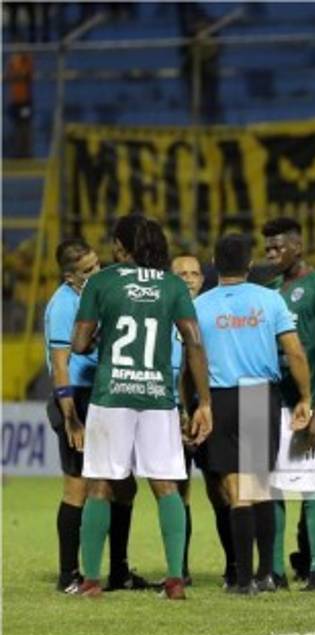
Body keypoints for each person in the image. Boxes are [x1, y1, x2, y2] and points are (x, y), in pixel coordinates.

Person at [69, 219, 213, 599]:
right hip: (157, 397)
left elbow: (80, 344)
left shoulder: (101, 282)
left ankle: (92, 580)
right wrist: (205, 402)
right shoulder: (171, 285)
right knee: (166, 485)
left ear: (120, 246)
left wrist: (102, 329)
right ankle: (175, 579)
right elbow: (194, 342)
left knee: (100, 484)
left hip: (112, 395)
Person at [191, 234, 311, 594]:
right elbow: (294, 351)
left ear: (213, 260)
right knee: (258, 486)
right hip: (260, 393)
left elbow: (190, 359)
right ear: (249, 264)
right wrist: (305, 395)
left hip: (220, 396)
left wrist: (196, 404)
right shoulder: (270, 300)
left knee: (234, 489)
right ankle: (265, 572)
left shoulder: (199, 304)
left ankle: (242, 580)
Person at [262, 217, 315, 591]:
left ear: (298, 246)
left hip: (303, 404)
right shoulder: (270, 290)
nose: (271, 254)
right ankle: (275, 569)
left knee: (310, 485)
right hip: (270, 399)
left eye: (278, 247)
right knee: (272, 486)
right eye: (267, 249)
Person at [44, 239, 101, 591]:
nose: (97, 273)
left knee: (108, 486)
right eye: (88, 270)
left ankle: (115, 568)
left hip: (96, 394)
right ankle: (68, 574)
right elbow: (61, 365)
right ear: (69, 277)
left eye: (97, 265)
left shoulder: (91, 296)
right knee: (76, 487)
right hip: (74, 399)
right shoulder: (63, 305)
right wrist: (71, 417)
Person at [170, 252, 206, 583]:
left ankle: (235, 568)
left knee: (225, 490)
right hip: (173, 415)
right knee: (179, 491)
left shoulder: (210, 314)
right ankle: (180, 568)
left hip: (210, 411)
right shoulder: (162, 317)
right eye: (181, 274)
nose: (189, 279)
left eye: (194, 274)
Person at [4, 51, 32, 158]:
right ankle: (17, 152)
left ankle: (26, 152)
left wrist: (17, 70)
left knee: (25, 125)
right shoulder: (11, 62)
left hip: (25, 101)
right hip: (14, 101)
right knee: (15, 125)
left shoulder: (27, 60)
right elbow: (8, 75)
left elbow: (25, 74)